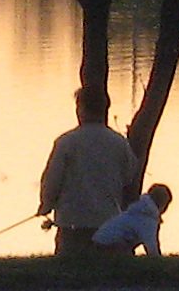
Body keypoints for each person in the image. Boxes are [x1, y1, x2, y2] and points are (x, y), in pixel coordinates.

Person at [37, 86, 140, 257]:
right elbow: (129, 176)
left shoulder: (66, 142)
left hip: (71, 223)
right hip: (108, 223)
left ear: (80, 109)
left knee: (69, 271)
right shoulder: (119, 143)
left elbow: (52, 180)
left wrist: (46, 204)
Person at [92, 182, 172, 256]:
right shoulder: (147, 219)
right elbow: (152, 248)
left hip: (98, 242)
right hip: (110, 247)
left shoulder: (137, 210)